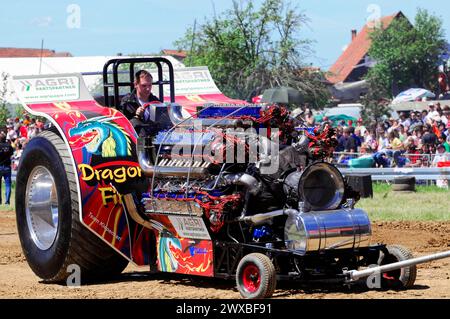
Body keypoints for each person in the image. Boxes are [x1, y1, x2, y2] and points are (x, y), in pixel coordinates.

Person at [119, 70, 162, 136]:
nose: (148, 89)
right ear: (136, 85)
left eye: (150, 85)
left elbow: (163, 121)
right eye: (144, 86)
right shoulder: (128, 102)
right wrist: (137, 117)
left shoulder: (155, 101)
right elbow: (122, 126)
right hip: (136, 140)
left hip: (154, 138)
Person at [0, 135, 14, 205]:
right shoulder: (9, 146)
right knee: (8, 185)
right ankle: (7, 201)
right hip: (7, 167)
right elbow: (11, 153)